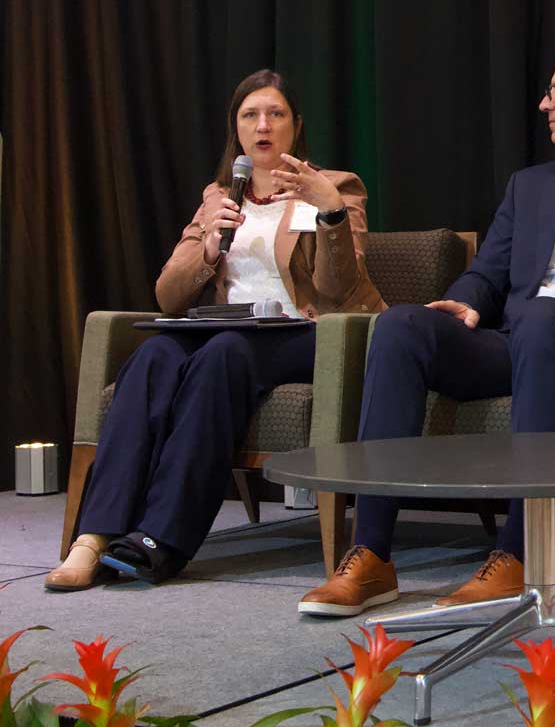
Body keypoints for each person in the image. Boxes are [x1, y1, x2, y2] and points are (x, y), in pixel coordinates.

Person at [298, 43, 555, 617]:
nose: (545, 103)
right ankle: (371, 553)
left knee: (546, 315)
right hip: (516, 341)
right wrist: (465, 303)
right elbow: (488, 273)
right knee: (400, 326)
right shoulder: (531, 185)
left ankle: (519, 552)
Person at [47, 70, 385, 590]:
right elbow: (168, 294)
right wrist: (208, 248)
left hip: (305, 334)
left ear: (296, 124)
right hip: (225, 330)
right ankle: (92, 537)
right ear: (237, 129)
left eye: (274, 114)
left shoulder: (335, 186)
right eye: (249, 115)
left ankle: (160, 540)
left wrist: (330, 213)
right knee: (154, 356)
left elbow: (338, 289)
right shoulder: (220, 196)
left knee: (221, 353)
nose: (263, 125)